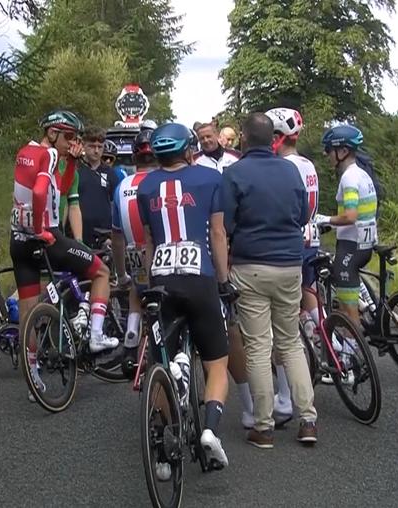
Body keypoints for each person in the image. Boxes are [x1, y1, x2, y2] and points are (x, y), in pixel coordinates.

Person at [137, 122, 232, 470]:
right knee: (217, 364)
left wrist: (149, 283)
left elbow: (147, 242)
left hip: (161, 280)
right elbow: (218, 233)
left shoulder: (144, 187)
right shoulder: (210, 179)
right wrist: (224, 282)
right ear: (189, 150)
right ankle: (210, 430)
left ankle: (163, 453)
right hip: (200, 277)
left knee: (160, 362)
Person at [222, 112, 318, 448]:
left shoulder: (234, 173)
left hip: (251, 266)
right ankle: (308, 420)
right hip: (290, 264)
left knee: (259, 346)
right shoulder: (291, 170)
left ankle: (263, 427)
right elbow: (304, 214)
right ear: (273, 138)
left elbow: (226, 224)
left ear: (245, 139)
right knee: (290, 342)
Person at [10, 110, 120, 399]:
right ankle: (96, 334)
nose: (74, 142)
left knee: (29, 313)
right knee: (101, 272)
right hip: (46, 237)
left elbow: (57, 187)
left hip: (18, 241)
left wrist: (71, 161)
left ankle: (33, 379)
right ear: (52, 133)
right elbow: (41, 189)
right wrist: (40, 228)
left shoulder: (27, 152)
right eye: (69, 136)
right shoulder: (49, 156)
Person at [265, 106, 324, 403]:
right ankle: (327, 335)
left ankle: (287, 397)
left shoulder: (284, 167)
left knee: (280, 327)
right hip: (312, 239)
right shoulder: (308, 164)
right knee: (306, 292)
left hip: (291, 243)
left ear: (277, 136)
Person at [315, 125, 378, 329]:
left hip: (350, 248)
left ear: (342, 152)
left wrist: (324, 220)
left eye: (329, 150)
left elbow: (350, 216)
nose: (326, 154)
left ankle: (349, 358)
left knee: (348, 313)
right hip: (364, 245)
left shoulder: (349, 178)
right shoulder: (363, 174)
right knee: (351, 305)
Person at [111, 129, 158, 362]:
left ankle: (131, 334)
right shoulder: (164, 181)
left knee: (136, 291)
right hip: (160, 252)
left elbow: (117, 237)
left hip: (134, 252)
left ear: (134, 158)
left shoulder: (122, 186)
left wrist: (120, 274)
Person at [75, 126, 124, 248]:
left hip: (104, 235)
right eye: (92, 146)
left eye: (100, 147)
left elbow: (117, 205)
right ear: (84, 145)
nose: (96, 151)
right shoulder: (75, 169)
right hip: (78, 234)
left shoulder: (110, 173)